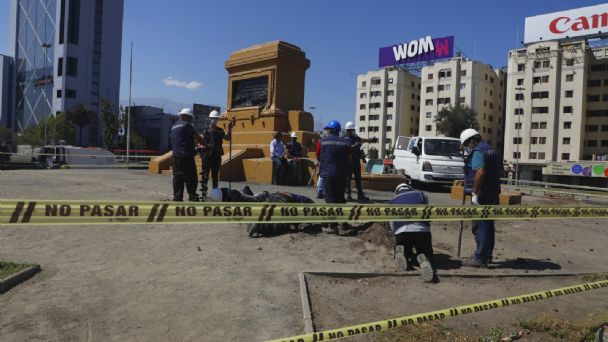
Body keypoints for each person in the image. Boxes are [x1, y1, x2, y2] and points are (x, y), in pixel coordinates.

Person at [460, 128, 502, 268]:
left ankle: (480, 258)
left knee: (480, 226)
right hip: (493, 193)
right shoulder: (492, 150)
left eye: (467, 144)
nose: (467, 148)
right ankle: (487, 255)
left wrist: (475, 193)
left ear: (472, 141)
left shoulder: (478, 152)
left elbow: (481, 172)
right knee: (489, 225)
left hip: (482, 194)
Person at [390, 183, 435, 282]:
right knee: (422, 250)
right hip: (421, 231)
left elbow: (392, 223)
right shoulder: (421, 195)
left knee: (405, 247)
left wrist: (396, 234)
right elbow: (427, 212)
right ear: (410, 189)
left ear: (397, 191)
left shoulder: (393, 201)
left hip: (402, 231)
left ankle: (402, 253)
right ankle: (424, 259)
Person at [319, 120, 355, 236]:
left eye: (328, 129)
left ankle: (333, 227)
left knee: (330, 200)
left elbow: (320, 157)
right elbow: (350, 158)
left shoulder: (323, 141)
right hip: (341, 175)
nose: (327, 131)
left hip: (328, 174)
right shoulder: (345, 142)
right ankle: (343, 224)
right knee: (341, 199)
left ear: (331, 130)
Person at [171, 108, 204, 201]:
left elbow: (181, 140)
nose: (191, 120)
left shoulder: (174, 126)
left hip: (175, 157)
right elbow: (197, 137)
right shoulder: (186, 125)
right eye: (190, 117)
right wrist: (205, 144)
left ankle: (177, 198)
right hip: (186, 157)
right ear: (185, 116)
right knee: (191, 177)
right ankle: (193, 197)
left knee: (178, 178)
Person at [343, 121, 377, 202]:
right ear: (349, 130)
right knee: (348, 179)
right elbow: (348, 148)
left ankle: (360, 195)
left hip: (356, 162)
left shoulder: (354, 136)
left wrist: (370, 140)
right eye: (352, 130)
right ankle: (348, 194)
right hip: (349, 162)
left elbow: (360, 140)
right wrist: (356, 145)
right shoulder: (345, 138)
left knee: (358, 179)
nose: (353, 131)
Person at [200, 110, 231, 198]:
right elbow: (201, 141)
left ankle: (215, 194)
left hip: (217, 156)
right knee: (205, 175)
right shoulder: (205, 130)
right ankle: (204, 194)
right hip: (207, 156)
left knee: (215, 176)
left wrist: (229, 129)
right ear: (210, 119)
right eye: (213, 118)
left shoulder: (220, 130)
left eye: (216, 118)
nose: (215, 120)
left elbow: (227, 138)